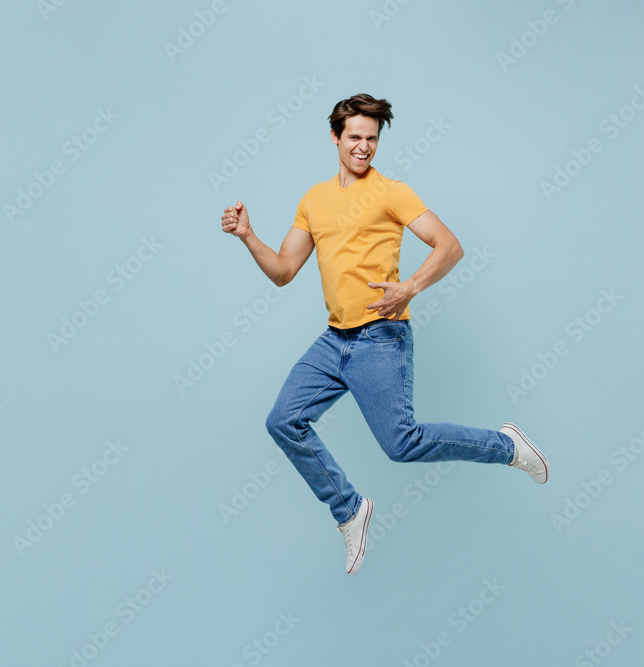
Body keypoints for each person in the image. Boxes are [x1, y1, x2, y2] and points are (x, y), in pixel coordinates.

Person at [220, 93, 549, 575]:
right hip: (335, 341)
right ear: (335, 137)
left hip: (379, 337)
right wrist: (249, 236)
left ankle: (507, 446)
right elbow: (284, 269)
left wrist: (409, 287)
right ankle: (349, 508)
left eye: (371, 139)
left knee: (402, 444)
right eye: (354, 137)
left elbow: (449, 246)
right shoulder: (314, 199)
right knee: (282, 421)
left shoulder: (393, 192)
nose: (363, 147)